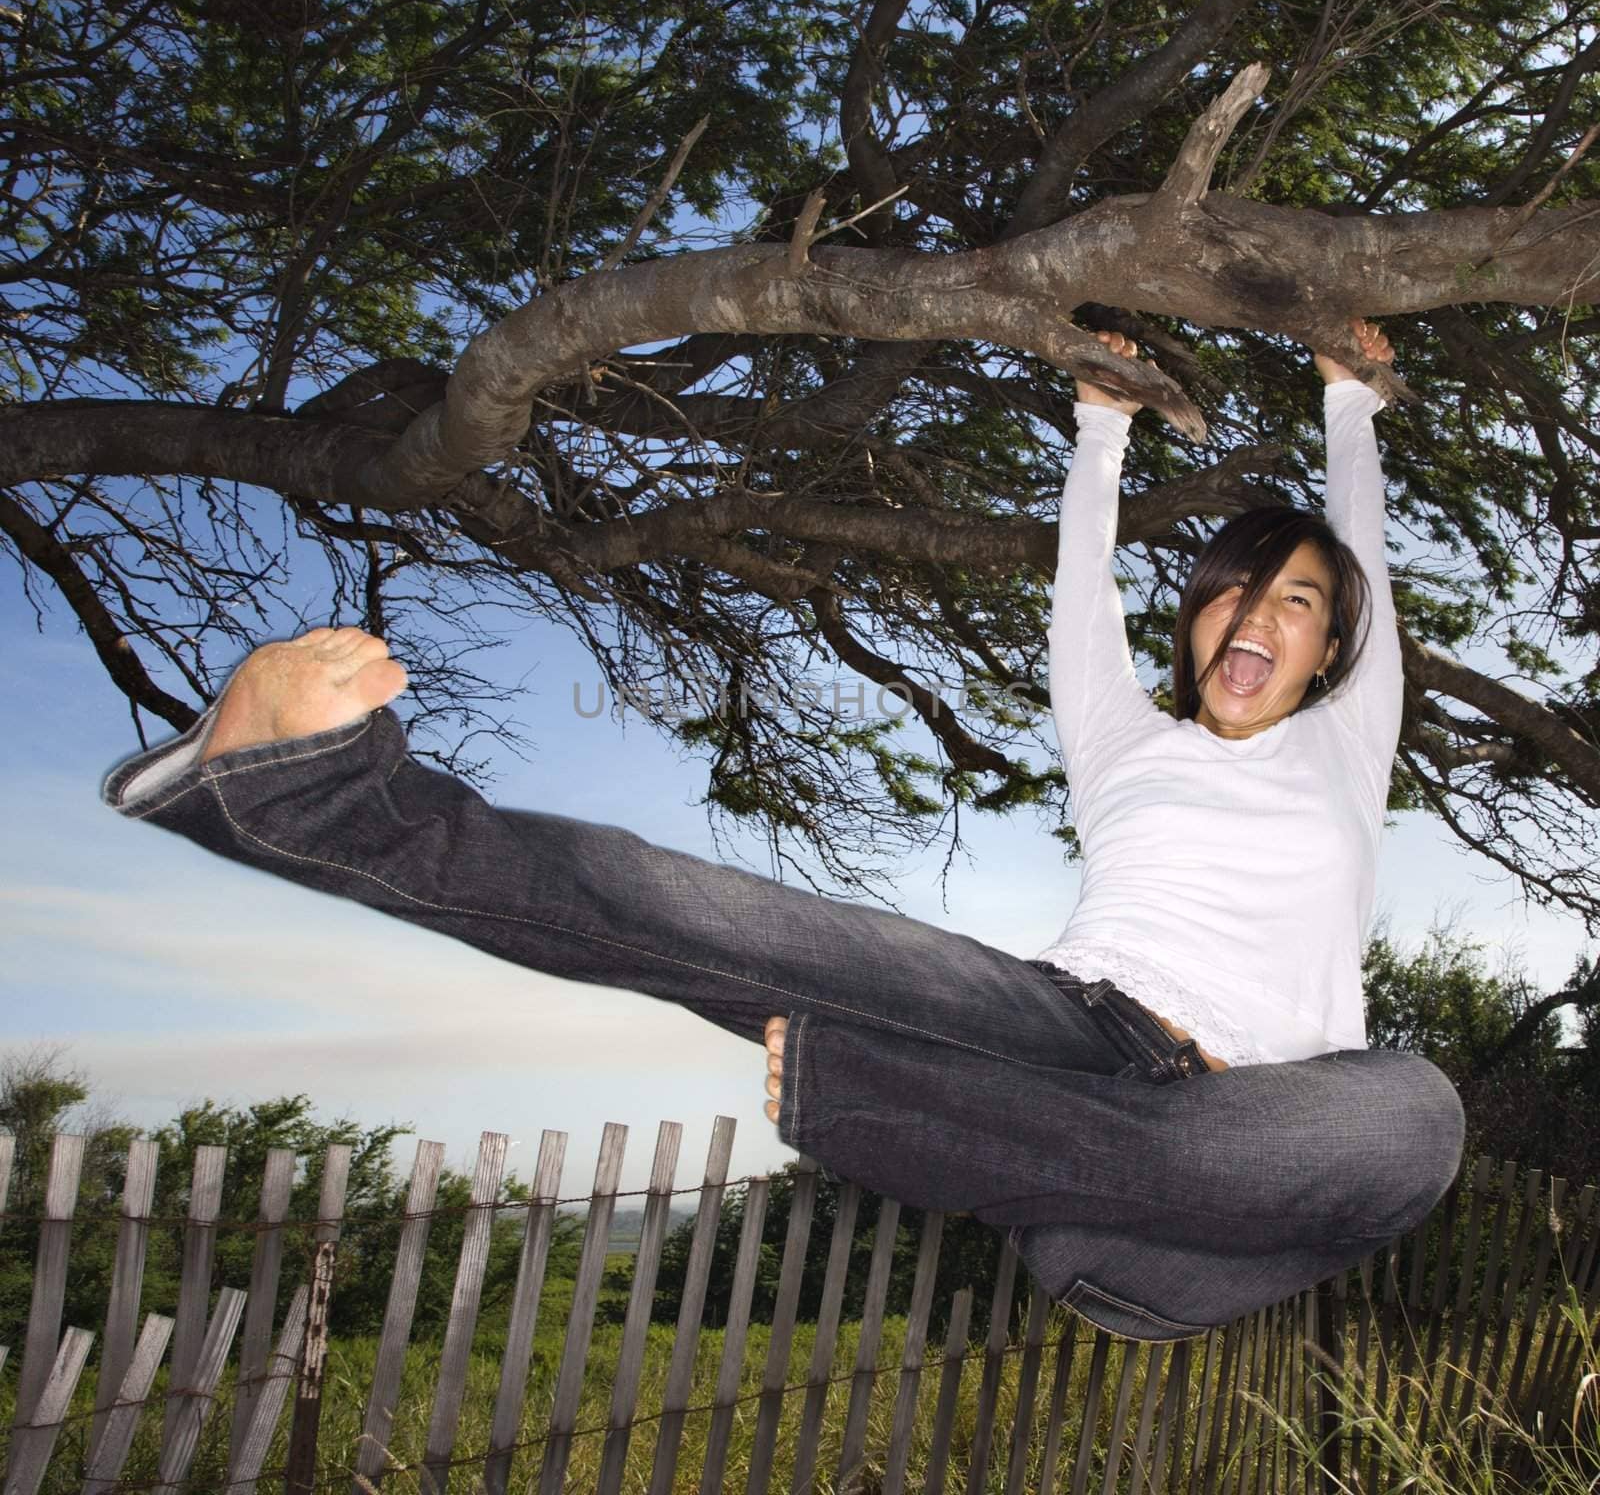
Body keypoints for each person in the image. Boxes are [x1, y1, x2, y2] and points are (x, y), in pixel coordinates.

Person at [102, 317, 1464, 1343]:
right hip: (1061, 1038)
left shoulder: (1343, 747)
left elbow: (1367, 556)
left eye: (1295, 604)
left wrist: (1352, 403)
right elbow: (1079, 587)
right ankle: (294, 794)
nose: (1259, 621)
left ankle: (921, 1124)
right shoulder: (1124, 738)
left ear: (1332, 642)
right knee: (690, 908)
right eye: (1237, 595)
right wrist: (1097, 430)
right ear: (1198, 620)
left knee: (1416, 1118)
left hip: (1202, 1200)